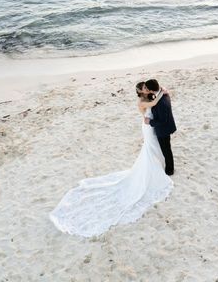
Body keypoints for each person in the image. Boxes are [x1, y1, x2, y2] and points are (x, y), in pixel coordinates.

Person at [49, 81, 173, 237]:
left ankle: (159, 164)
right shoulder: (142, 101)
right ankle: (154, 168)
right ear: (140, 92)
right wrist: (163, 91)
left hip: (153, 126)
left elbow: (155, 100)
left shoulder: (149, 96)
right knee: (151, 147)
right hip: (148, 128)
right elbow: (154, 102)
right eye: (144, 88)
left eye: (147, 88)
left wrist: (162, 91)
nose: (146, 90)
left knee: (156, 147)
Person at [143, 78, 177, 176]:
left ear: (151, 90)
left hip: (164, 129)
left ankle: (170, 170)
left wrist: (150, 121)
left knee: (166, 149)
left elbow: (162, 121)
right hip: (166, 126)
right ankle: (168, 165)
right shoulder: (162, 93)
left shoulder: (161, 102)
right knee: (166, 148)